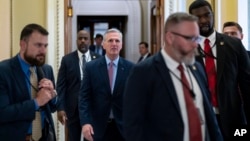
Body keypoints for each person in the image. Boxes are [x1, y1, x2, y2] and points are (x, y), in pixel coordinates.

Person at [123, 12, 223, 141]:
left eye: (197, 39)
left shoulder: (197, 68)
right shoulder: (143, 73)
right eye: (190, 38)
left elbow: (210, 120)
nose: (195, 45)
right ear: (170, 37)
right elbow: (133, 128)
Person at [189, 0, 250, 140]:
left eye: (207, 15)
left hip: (233, 118)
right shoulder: (185, 49)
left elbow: (247, 84)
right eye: (198, 17)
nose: (204, 20)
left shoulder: (234, 45)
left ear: (213, 15)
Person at [0, 23, 57, 140]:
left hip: (44, 136)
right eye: (38, 45)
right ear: (23, 45)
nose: (43, 51)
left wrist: (53, 94)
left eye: (45, 46)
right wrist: (36, 102)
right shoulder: (3, 71)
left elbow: (53, 107)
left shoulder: (47, 69)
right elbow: (2, 113)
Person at [79, 28, 134, 141]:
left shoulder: (131, 68)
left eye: (117, 41)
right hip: (96, 128)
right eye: (110, 41)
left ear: (121, 44)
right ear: (103, 44)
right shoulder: (91, 68)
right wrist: (85, 123)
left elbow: (136, 99)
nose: (114, 44)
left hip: (123, 129)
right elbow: (84, 98)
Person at [56, 30, 100, 141]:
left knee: (91, 138)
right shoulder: (67, 60)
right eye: (80, 38)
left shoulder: (99, 59)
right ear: (76, 41)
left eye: (85, 38)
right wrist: (60, 108)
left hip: (92, 109)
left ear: (90, 41)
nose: (83, 41)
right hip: (73, 109)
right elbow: (61, 86)